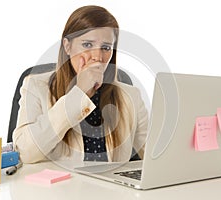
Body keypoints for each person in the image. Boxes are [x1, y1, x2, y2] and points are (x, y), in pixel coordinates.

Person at [13, 5, 148, 164]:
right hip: (59, 188)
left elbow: (153, 154)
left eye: (106, 48)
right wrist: (78, 94)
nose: (98, 57)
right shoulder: (36, 86)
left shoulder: (130, 96)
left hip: (113, 188)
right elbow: (23, 153)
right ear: (67, 46)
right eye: (88, 45)